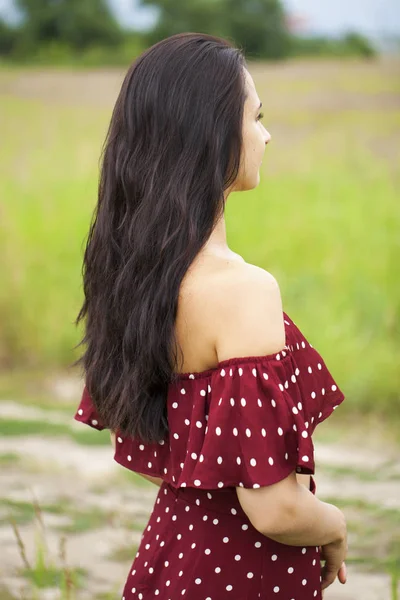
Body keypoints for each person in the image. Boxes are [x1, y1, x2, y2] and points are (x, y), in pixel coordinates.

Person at [73, 32, 348, 600]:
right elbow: (274, 508)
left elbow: (152, 453)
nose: (266, 134)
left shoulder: (133, 275)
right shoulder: (241, 291)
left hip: (170, 560)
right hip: (241, 577)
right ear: (213, 134)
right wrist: (334, 525)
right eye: (257, 116)